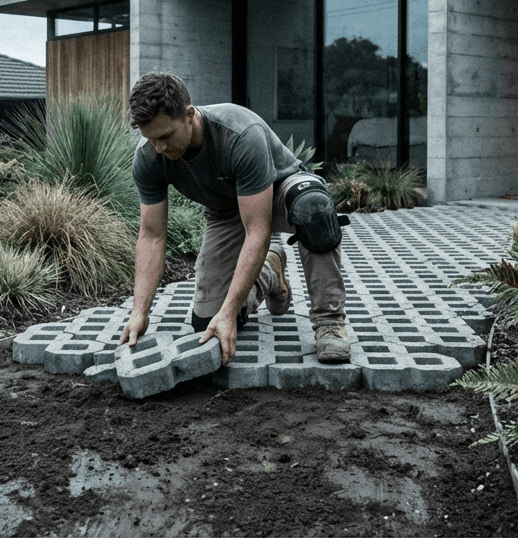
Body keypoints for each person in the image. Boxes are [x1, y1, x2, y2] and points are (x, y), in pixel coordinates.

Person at [116, 70, 351, 365]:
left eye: (165, 136)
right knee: (207, 324)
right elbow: (151, 236)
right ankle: (269, 273)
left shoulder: (238, 133)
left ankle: (329, 321)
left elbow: (257, 232)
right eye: (151, 139)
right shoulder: (149, 157)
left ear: (189, 115)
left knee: (313, 207)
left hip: (281, 192)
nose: (159, 148)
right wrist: (139, 311)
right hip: (226, 212)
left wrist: (227, 312)